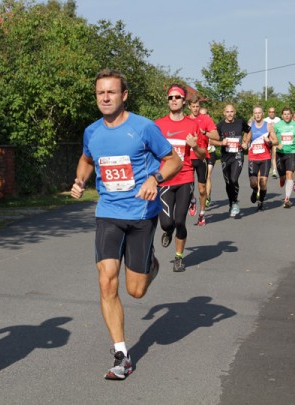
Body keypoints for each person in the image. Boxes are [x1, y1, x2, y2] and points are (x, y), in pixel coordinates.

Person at [70, 69, 182, 380]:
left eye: (111, 92)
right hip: (108, 213)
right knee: (107, 279)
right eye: (100, 93)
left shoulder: (144, 128)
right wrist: (80, 180)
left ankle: (150, 267)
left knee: (136, 291)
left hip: (141, 216)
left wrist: (154, 178)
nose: (105, 98)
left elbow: (174, 161)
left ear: (124, 95)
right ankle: (121, 353)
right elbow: (87, 159)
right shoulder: (92, 131)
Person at [156, 84, 206, 272]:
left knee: (180, 221)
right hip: (165, 179)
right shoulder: (158, 125)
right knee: (167, 223)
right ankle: (167, 231)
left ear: (184, 101)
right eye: (170, 97)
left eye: (177, 97)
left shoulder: (192, 125)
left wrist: (194, 146)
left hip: (185, 177)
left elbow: (201, 155)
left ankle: (178, 257)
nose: (174, 100)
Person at [210, 104, 250, 217]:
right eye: (227, 112)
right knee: (228, 182)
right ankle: (231, 202)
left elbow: (249, 131)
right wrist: (221, 143)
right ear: (224, 113)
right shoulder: (220, 126)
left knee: (233, 179)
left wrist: (246, 142)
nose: (229, 114)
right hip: (225, 157)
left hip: (238, 155)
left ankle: (235, 202)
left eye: (231, 111)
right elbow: (211, 141)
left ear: (235, 112)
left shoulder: (240, 122)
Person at [187, 96, 219, 226]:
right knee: (187, 188)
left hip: (201, 158)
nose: (195, 109)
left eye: (197, 107)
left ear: (200, 107)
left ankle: (202, 214)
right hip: (188, 158)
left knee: (202, 189)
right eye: (193, 107)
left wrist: (204, 132)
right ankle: (192, 200)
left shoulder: (205, 119)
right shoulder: (185, 119)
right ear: (189, 107)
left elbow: (216, 136)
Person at [243, 105, 277, 211]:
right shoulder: (249, 125)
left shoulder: (268, 126)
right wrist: (245, 143)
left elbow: (276, 140)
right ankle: (254, 191)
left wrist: (269, 141)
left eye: (259, 113)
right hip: (253, 157)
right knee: (253, 182)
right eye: (255, 113)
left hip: (265, 158)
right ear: (253, 115)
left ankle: (261, 201)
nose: (257, 115)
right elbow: (245, 139)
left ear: (262, 114)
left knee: (263, 182)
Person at [274, 107, 295, 208]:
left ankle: (287, 199)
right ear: (282, 116)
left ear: (291, 115)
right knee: (283, 175)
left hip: (292, 153)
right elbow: (271, 136)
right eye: (284, 114)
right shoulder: (277, 125)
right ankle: (282, 178)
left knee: (289, 174)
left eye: (288, 114)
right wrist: (276, 144)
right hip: (280, 153)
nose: (286, 116)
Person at [264, 107, 280, 178]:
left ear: (275, 113)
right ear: (268, 113)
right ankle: (267, 167)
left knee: (274, 154)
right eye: (270, 112)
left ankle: (274, 170)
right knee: (267, 155)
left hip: (274, 140)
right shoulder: (265, 120)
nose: (271, 113)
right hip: (267, 140)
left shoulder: (278, 120)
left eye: (273, 112)